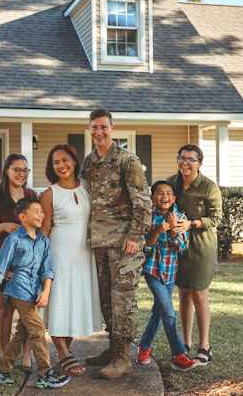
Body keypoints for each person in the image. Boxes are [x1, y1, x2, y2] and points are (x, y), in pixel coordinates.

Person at [80, 108, 152, 379]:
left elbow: (142, 201)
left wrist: (135, 236)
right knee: (107, 300)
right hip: (99, 243)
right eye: (94, 127)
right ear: (89, 129)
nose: (99, 132)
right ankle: (112, 349)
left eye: (103, 127)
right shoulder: (89, 162)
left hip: (124, 244)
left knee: (123, 301)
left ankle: (123, 358)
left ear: (112, 128)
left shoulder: (127, 160)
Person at [0, 197, 71, 390]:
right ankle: (44, 373)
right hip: (17, 289)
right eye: (37, 211)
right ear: (23, 217)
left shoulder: (43, 241)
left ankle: (1, 368)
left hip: (34, 292)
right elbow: (1, 266)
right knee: (38, 330)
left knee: (22, 333)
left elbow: (47, 270)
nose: (42, 214)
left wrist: (46, 292)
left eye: (42, 211)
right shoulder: (13, 239)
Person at [40, 144, 103, 377]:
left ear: (75, 161)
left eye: (65, 160)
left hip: (84, 254)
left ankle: (66, 349)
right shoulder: (49, 193)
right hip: (59, 253)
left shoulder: (87, 187)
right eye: (56, 162)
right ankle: (64, 354)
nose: (61, 166)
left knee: (75, 302)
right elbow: (45, 228)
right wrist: (38, 260)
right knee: (59, 300)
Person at [167, 144, 222, 367]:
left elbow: (216, 219)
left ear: (199, 163)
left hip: (201, 246)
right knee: (184, 294)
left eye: (191, 159)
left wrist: (191, 223)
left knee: (199, 294)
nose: (185, 163)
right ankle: (186, 343)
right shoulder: (171, 183)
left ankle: (205, 346)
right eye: (182, 158)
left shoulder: (209, 187)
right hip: (178, 247)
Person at [0, 153, 37, 368]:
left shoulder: (31, 195)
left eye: (25, 170)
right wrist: (3, 226)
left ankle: (26, 354)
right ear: (6, 170)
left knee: (28, 309)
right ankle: (5, 353)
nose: (21, 174)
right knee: (6, 309)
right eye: (17, 169)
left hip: (27, 258)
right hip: (5, 257)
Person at [136, 181, 196, 371]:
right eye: (160, 193)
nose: (165, 197)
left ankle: (144, 348)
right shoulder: (149, 217)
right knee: (169, 313)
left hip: (170, 273)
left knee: (158, 312)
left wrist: (172, 230)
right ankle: (178, 354)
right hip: (152, 271)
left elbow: (182, 247)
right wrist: (160, 229)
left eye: (169, 193)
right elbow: (146, 246)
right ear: (153, 197)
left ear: (174, 198)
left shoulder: (179, 217)